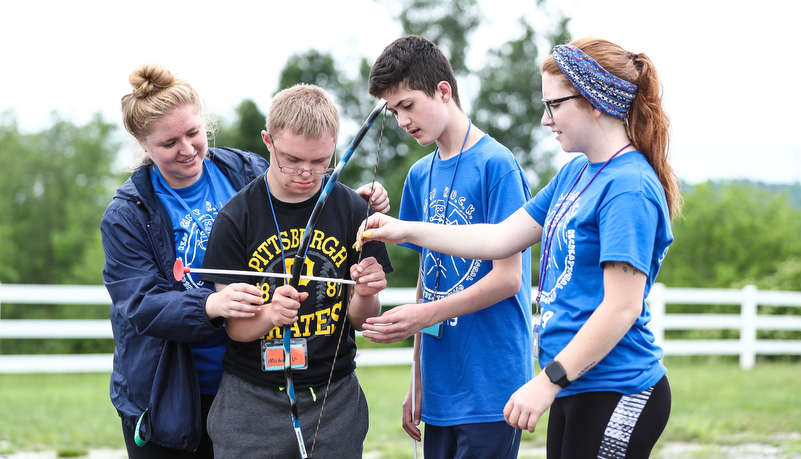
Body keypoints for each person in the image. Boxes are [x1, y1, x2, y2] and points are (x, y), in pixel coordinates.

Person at [358, 37, 679, 459]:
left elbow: (622, 308)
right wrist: (404, 230)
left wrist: (546, 382)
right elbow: (498, 238)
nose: (546, 120)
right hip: (574, 383)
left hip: (617, 385)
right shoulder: (574, 176)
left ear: (595, 102)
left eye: (554, 105)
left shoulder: (629, 187)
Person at [101, 64, 390, 458]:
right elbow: (139, 303)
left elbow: (298, 192)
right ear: (142, 143)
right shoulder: (126, 214)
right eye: (169, 143)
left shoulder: (246, 168)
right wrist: (211, 304)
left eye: (193, 133)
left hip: (244, 377)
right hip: (173, 386)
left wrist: (348, 203)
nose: (187, 149)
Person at [361, 35, 533, 459]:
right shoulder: (420, 176)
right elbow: (428, 276)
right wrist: (417, 377)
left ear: (443, 91)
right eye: (393, 110)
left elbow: (508, 279)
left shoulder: (498, 165)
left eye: (407, 105)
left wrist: (420, 316)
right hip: (440, 386)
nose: (401, 120)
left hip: (490, 383)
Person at [198, 83, 393, 458]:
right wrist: (270, 314)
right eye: (291, 160)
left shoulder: (354, 210)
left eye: (322, 161)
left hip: (333, 398)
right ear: (267, 141)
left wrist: (367, 293)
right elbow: (236, 329)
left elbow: (360, 320)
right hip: (252, 403)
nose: (306, 173)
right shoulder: (236, 218)